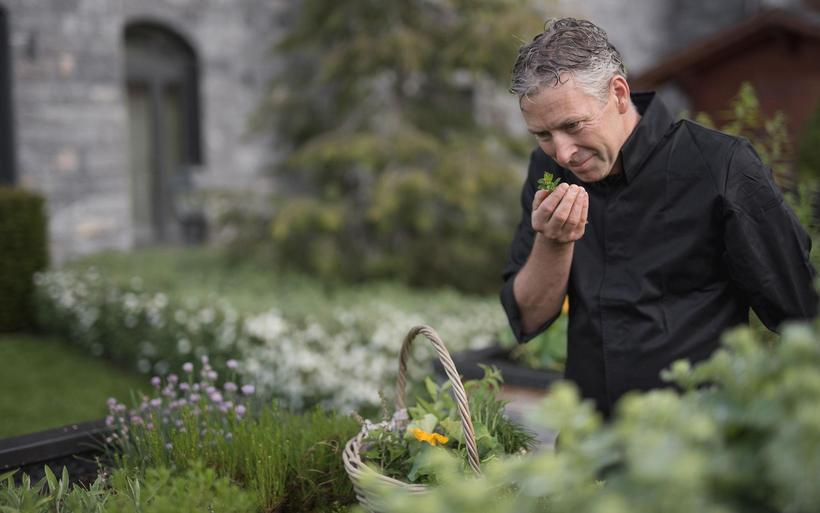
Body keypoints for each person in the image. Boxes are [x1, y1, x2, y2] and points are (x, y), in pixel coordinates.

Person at [500, 17, 818, 418]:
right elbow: (528, 318)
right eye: (543, 135)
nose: (562, 153)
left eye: (573, 125)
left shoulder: (720, 166)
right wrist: (554, 241)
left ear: (618, 93)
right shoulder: (548, 171)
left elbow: (801, 315)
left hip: (695, 447)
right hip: (589, 448)